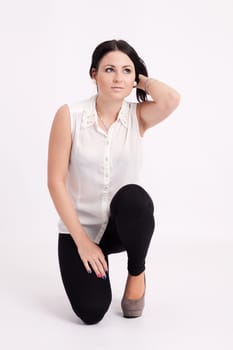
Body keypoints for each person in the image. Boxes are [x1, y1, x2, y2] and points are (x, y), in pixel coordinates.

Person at [47, 39, 180, 325]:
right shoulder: (69, 116)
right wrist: (82, 242)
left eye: (126, 71)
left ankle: (136, 272)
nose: (118, 78)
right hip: (80, 230)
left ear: (134, 78)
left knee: (134, 198)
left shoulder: (138, 116)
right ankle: (92, 255)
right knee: (92, 312)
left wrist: (140, 80)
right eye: (109, 70)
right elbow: (55, 182)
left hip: (122, 225)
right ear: (93, 74)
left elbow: (171, 99)